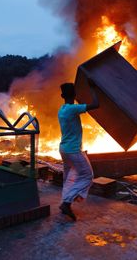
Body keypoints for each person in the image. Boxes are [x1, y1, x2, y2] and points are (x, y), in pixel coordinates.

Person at [57, 82, 99, 221]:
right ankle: (66, 203)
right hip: (73, 150)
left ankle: (66, 201)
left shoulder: (62, 109)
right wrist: (93, 88)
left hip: (64, 149)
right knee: (87, 176)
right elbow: (96, 104)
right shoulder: (72, 109)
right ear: (75, 95)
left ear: (62, 95)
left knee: (69, 176)